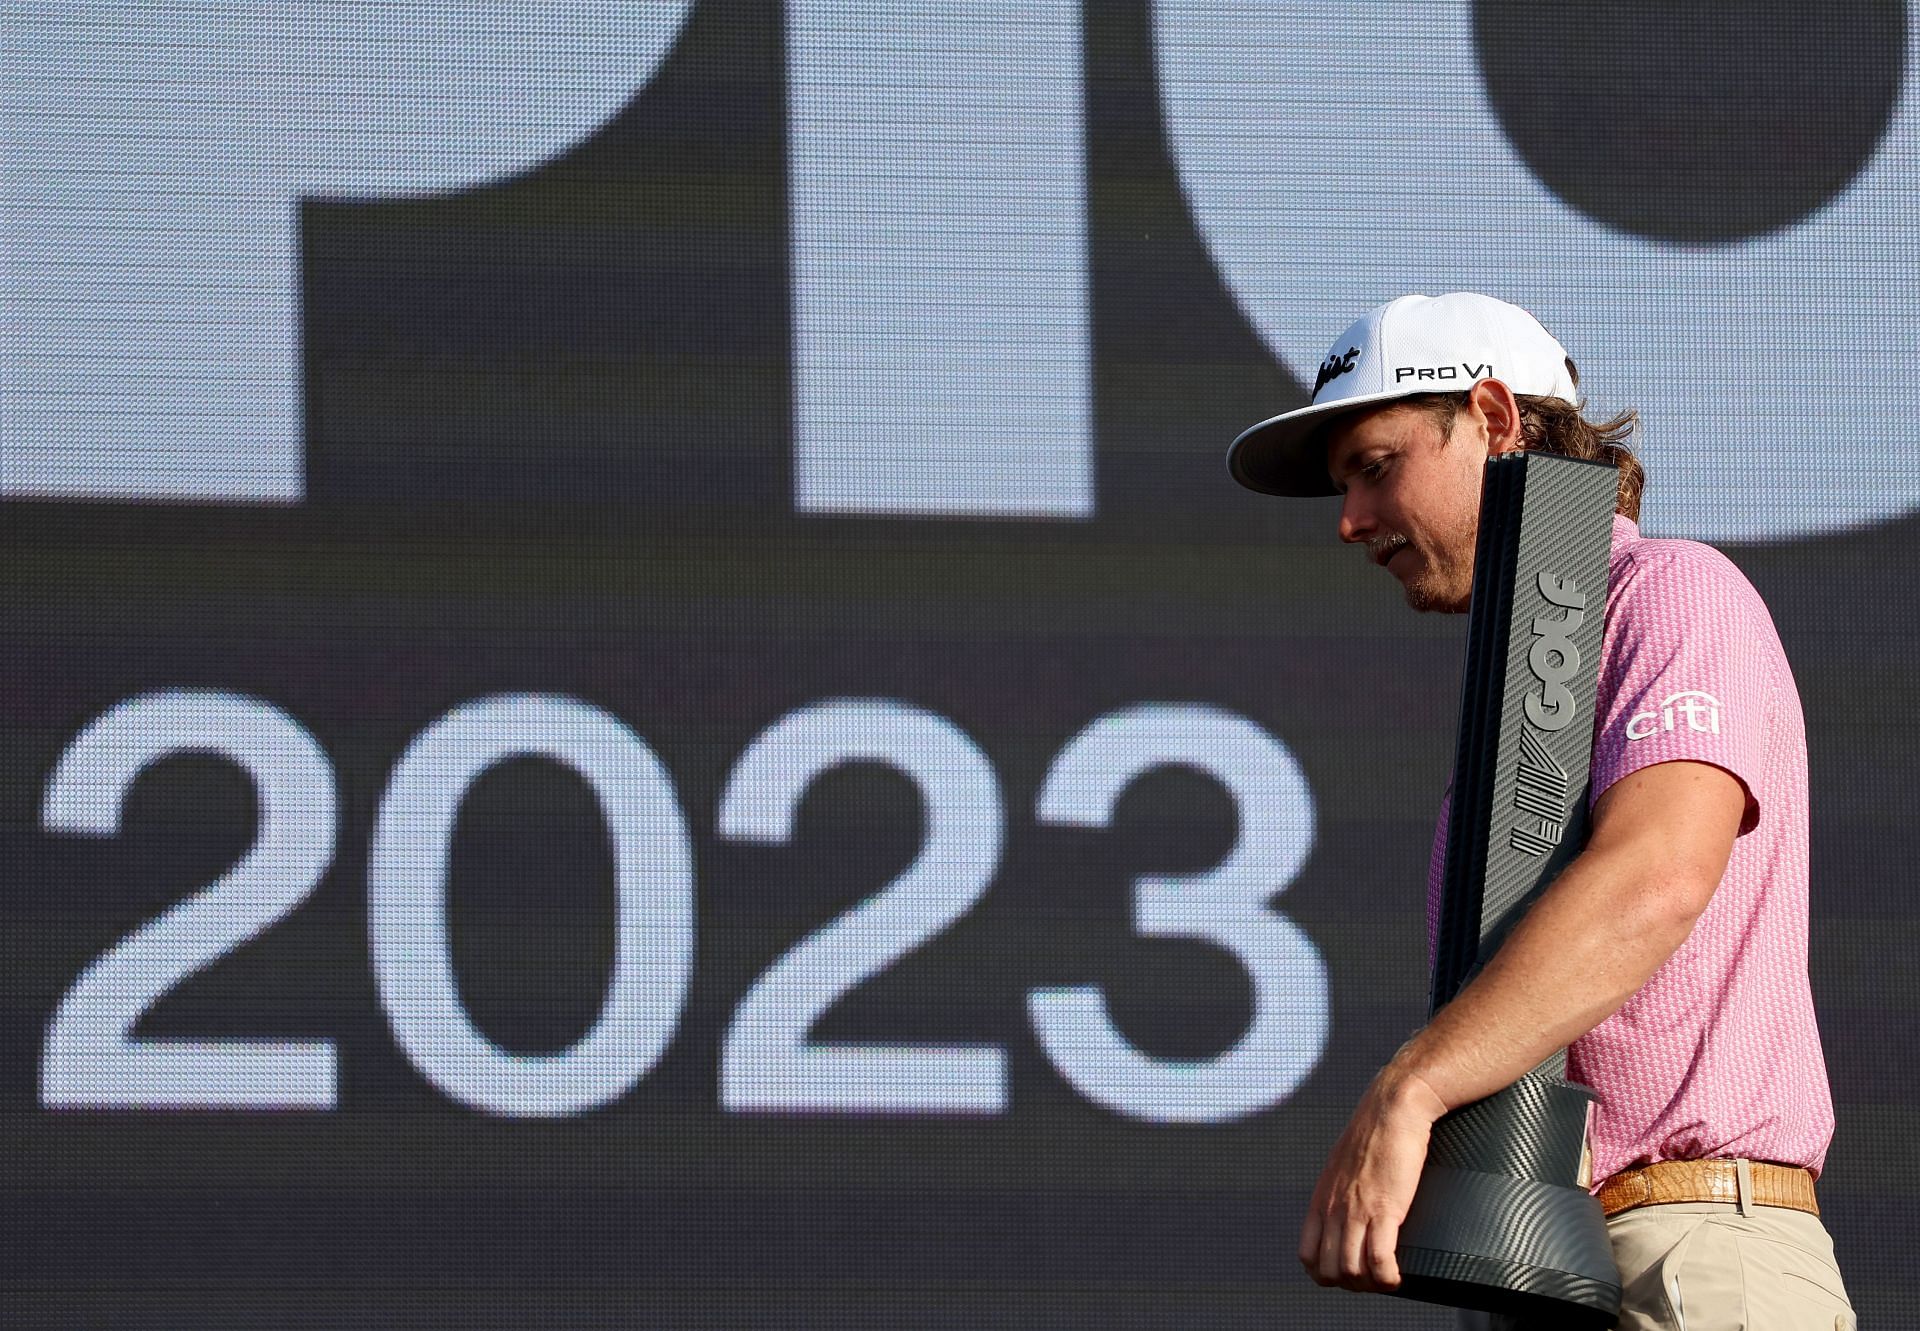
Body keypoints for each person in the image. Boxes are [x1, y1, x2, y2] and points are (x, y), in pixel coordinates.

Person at [1226, 292, 1852, 1329]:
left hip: (1691, 1250)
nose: (1350, 522)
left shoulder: (1673, 590)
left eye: (1377, 466)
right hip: (1549, 1264)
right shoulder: (1521, 704)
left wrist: (1411, 1088)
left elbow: (1657, 876)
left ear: (1495, 418)